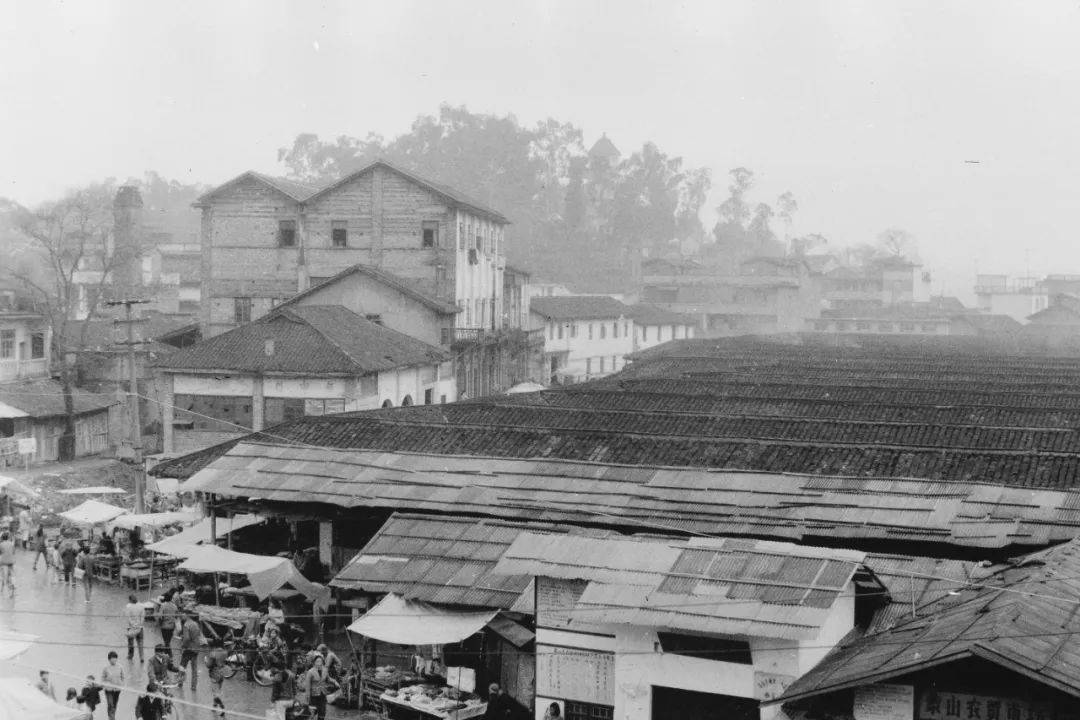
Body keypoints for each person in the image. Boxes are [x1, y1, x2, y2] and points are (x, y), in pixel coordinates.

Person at [178, 612, 203, 691]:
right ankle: (193, 686)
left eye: (182, 615)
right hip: (196, 648)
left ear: (187, 616)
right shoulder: (195, 624)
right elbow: (198, 636)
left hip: (188, 648)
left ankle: (180, 682)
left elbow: (186, 639)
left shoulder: (186, 625)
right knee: (194, 668)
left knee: (182, 666)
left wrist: (183, 646)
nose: (181, 617)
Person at [305, 654, 333, 720]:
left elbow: (328, 679)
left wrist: (334, 683)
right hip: (313, 696)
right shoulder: (310, 672)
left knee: (322, 712)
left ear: (322, 662)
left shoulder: (325, 670)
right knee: (312, 713)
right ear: (314, 662)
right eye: (317, 661)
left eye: (320, 661)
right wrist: (307, 696)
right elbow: (307, 685)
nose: (319, 663)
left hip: (322, 695)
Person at [101, 651, 125, 720]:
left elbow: (123, 677)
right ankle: (112, 718)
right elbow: (102, 678)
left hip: (117, 690)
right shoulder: (106, 668)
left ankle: (111, 715)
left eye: (115, 658)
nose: (114, 660)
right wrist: (104, 685)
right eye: (112, 658)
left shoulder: (120, 667)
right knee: (110, 704)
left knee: (114, 704)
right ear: (109, 659)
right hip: (108, 690)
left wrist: (121, 685)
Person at [125, 594, 146, 662]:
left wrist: (133, 625)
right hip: (140, 627)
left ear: (130, 600)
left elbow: (128, 618)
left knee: (131, 642)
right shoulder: (141, 606)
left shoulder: (128, 606)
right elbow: (143, 617)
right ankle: (141, 657)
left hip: (131, 627)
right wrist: (139, 625)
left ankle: (130, 655)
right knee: (140, 642)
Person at [0, 531, 15, 597]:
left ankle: (7, 589)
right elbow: (14, 552)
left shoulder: (1, 544)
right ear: (8, 537)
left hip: (4, 562)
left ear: (2, 538)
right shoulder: (11, 544)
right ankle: (12, 585)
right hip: (11, 562)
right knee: (10, 575)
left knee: (4, 576)